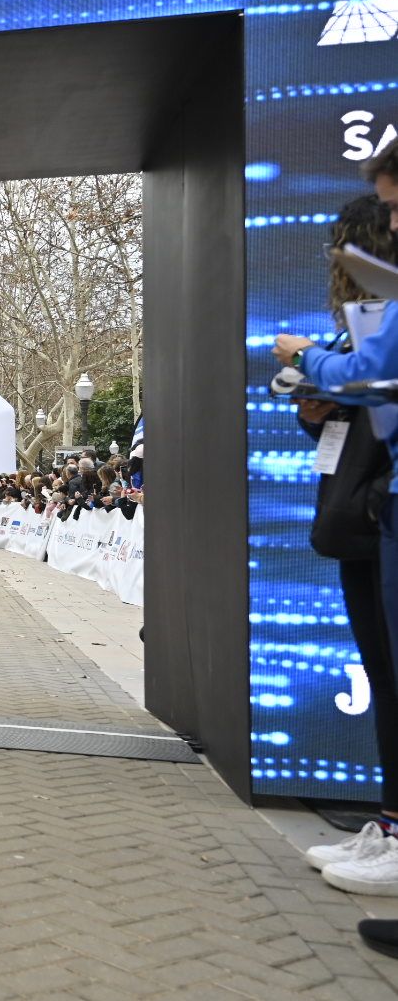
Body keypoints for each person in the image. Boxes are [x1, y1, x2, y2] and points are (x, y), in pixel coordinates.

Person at [278, 190, 398, 906]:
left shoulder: (379, 324)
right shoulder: (366, 325)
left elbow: (374, 385)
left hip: (377, 506)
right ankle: (388, 821)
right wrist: (312, 401)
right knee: (383, 672)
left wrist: (311, 360)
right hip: (361, 509)